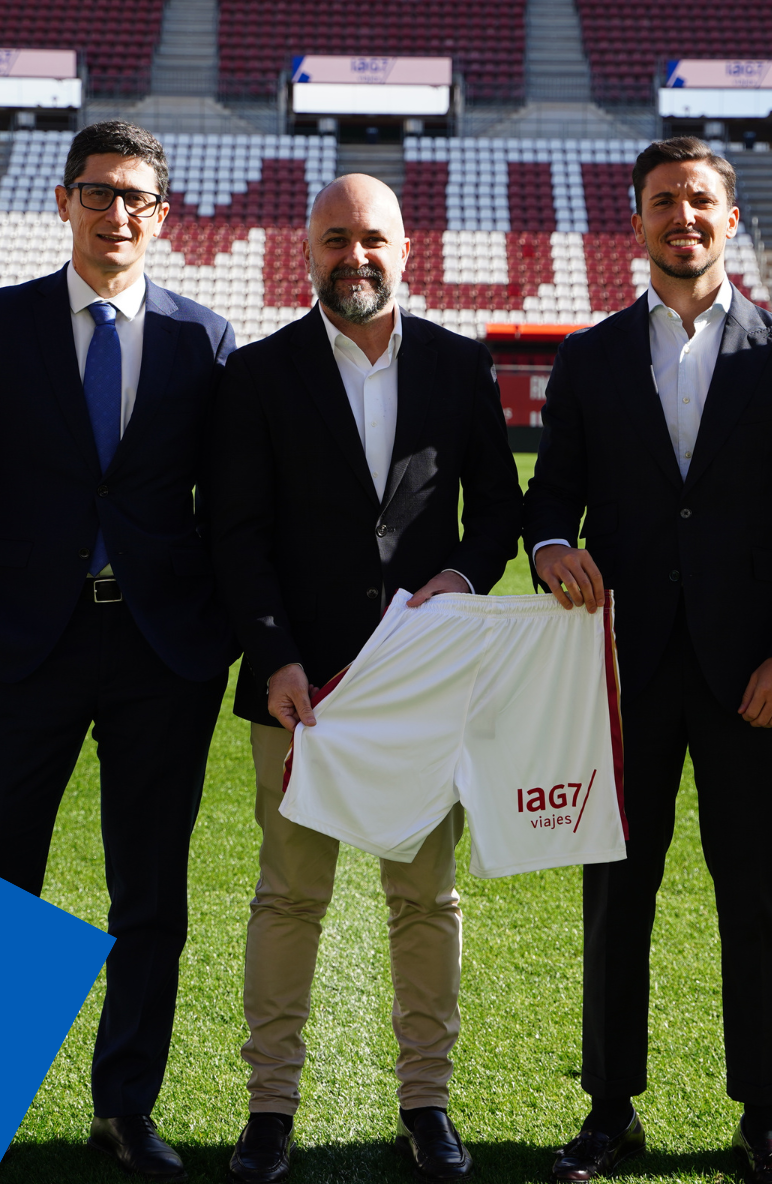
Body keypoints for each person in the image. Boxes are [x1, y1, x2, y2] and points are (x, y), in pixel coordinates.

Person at [523, 136, 772, 1183]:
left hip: (753, 675)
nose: (683, 217)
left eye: (700, 200)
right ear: (636, 221)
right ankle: (608, 1107)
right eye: (663, 200)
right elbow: (550, 495)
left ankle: (762, 1115)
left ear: (729, 217)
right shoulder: (587, 356)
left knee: (753, 897)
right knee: (615, 893)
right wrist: (549, 547)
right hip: (620, 671)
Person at [0, 121, 236, 1180]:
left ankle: (125, 1108)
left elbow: (226, 506)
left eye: (136, 197)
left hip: (160, 653)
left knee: (149, 893)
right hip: (24, 644)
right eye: (97, 191)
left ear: (161, 215)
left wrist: (213, 630)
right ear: (64, 202)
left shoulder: (204, 337)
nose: (116, 213)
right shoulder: (0, 322)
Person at [209, 174, 522, 1184]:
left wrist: (463, 575)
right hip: (298, 686)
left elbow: (497, 511)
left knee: (424, 899)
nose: (355, 256)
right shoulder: (258, 373)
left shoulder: (459, 364)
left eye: (372, 238)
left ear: (405, 248)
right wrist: (273, 656)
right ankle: (268, 1110)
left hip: (421, 689)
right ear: (306, 250)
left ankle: (427, 1104)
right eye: (336, 238)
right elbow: (235, 532)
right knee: (288, 897)